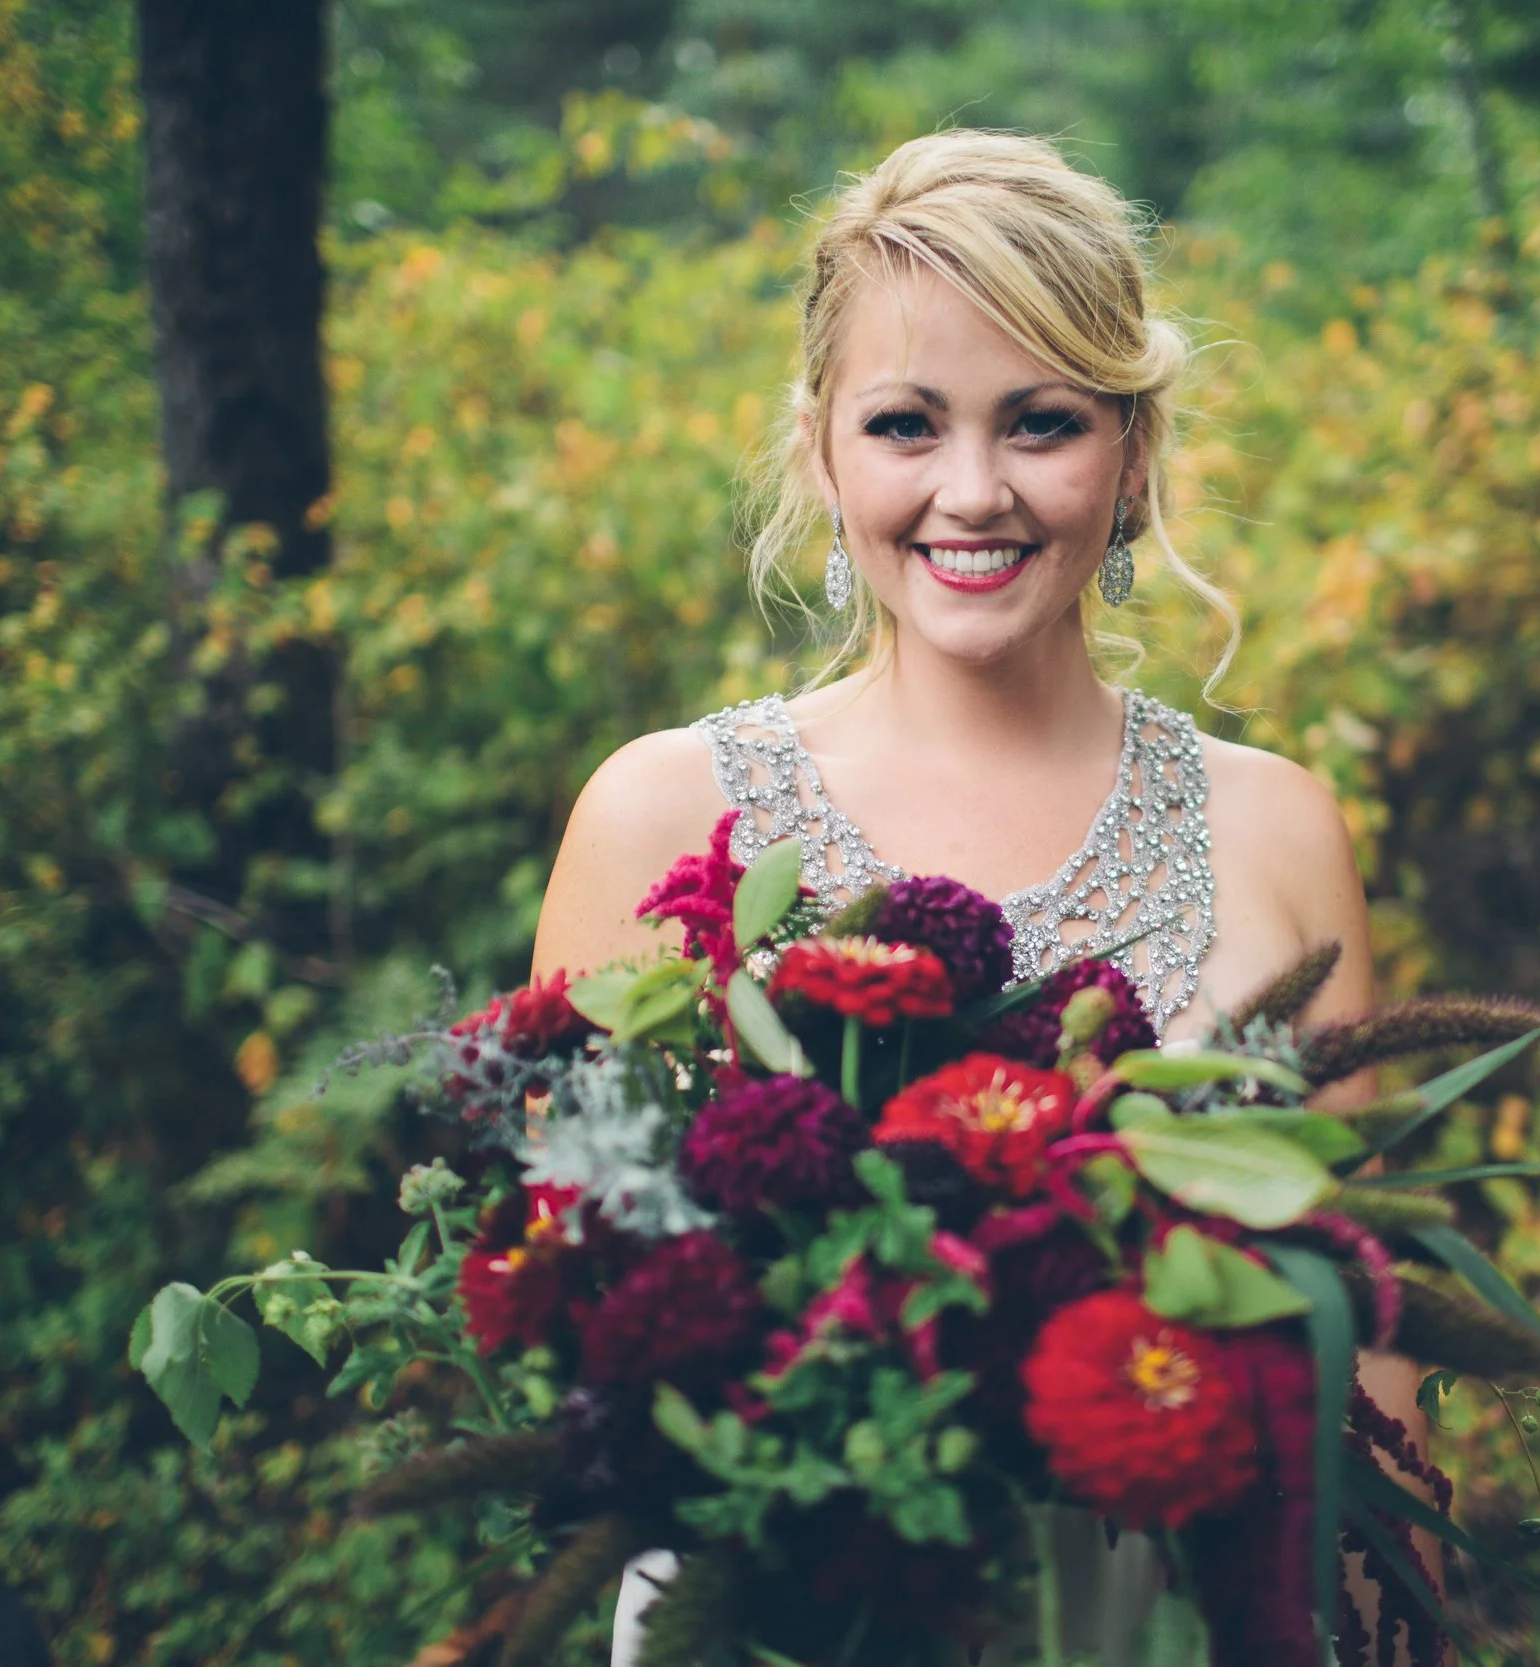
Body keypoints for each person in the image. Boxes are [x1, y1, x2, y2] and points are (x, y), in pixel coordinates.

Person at [532, 129, 1442, 1666]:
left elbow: (1374, 1372)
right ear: (823, 449)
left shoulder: (1277, 830)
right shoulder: (662, 815)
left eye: (1040, 423)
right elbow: (569, 1337)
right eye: (907, 422)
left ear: (1132, 454)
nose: (973, 491)